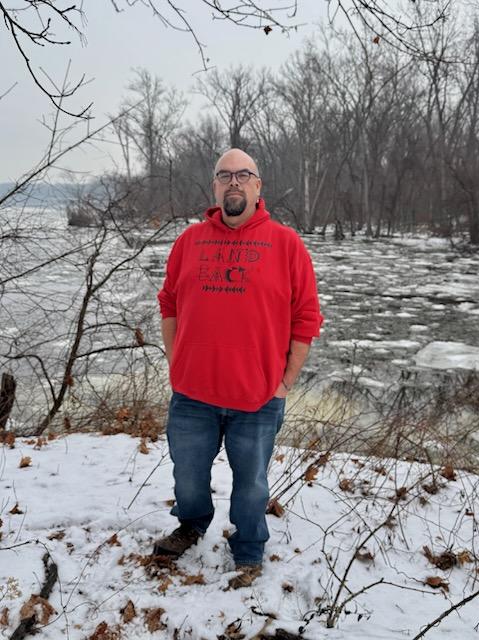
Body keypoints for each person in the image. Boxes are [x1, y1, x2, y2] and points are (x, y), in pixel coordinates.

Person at [155, 148, 323, 589]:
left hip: (259, 396)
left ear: (257, 186)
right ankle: (191, 524)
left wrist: (286, 381)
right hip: (192, 394)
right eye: (224, 175)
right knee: (188, 477)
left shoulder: (286, 244)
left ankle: (248, 548)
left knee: (251, 486)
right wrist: (177, 361)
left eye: (243, 175)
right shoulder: (189, 241)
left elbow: (306, 317)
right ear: (214, 186)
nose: (233, 182)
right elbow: (169, 301)